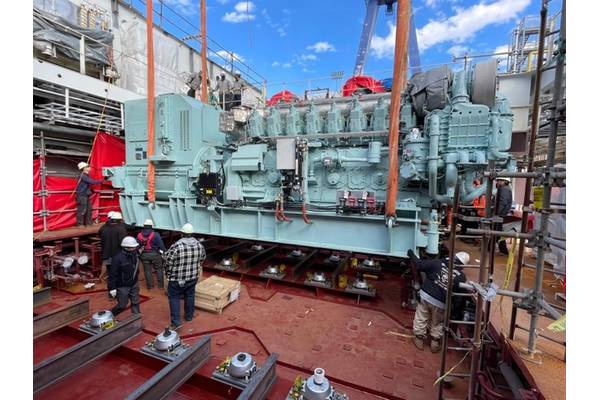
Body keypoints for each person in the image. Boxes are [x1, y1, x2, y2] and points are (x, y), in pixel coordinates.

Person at [407, 249, 468, 353]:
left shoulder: (438, 263)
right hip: (442, 303)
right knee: (438, 322)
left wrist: (411, 254)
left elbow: (419, 264)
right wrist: (456, 313)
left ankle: (419, 339)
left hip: (426, 296)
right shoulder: (461, 277)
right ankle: (435, 343)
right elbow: (458, 298)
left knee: (421, 316)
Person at [164, 223, 205, 330]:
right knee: (190, 295)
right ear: (192, 233)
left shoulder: (176, 246)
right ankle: (189, 316)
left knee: (174, 297)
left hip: (176, 279)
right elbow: (202, 259)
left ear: (182, 233)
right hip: (192, 277)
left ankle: (176, 322)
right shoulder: (199, 245)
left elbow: (168, 261)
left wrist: (168, 273)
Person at [108, 236, 141, 316]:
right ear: (125, 247)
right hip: (122, 286)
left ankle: (136, 318)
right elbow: (112, 274)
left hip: (134, 283)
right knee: (122, 305)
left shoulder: (135, 255)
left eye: (134, 247)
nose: (133, 249)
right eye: (131, 248)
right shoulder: (117, 258)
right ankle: (111, 315)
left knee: (135, 302)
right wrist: (112, 288)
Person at [98, 211, 128, 287]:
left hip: (106, 255)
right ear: (120, 220)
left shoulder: (103, 229)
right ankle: (119, 289)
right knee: (119, 273)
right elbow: (123, 244)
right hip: (117, 256)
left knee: (111, 273)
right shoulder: (121, 230)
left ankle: (111, 291)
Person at [137, 219, 166, 290]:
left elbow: (137, 246)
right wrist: (164, 252)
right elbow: (161, 245)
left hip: (144, 255)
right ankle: (161, 286)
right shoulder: (156, 235)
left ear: (144, 226)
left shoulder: (139, 235)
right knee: (159, 269)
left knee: (147, 270)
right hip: (155, 254)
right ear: (151, 226)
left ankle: (150, 286)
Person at [76, 162, 105, 226]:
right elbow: (92, 182)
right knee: (82, 210)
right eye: (88, 166)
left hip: (85, 195)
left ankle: (88, 223)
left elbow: (87, 184)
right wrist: (103, 179)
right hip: (82, 195)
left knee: (89, 210)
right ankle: (80, 224)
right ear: (84, 168)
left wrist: (91, 190)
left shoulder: (86, 175)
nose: (89, 167)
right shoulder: (82, 175)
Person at [494, 177, 513, 255]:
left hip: (500, 215)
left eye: (499, 181)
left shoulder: (504, 189)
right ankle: (501, 250)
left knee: (496, 232)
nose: (497, 182)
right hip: (500, 214)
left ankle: (503, 250)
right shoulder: (505, 188)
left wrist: (496, 214)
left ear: (505, 182)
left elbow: (502, 203)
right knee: (497, 232)